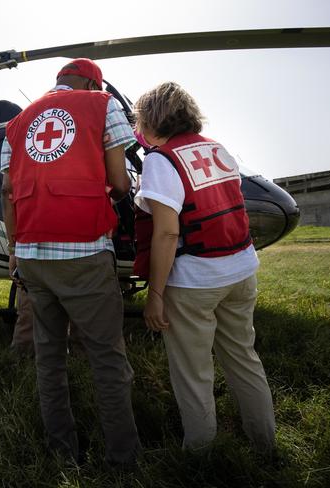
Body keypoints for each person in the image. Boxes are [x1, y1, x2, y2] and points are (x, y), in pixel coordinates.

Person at [1, 58, 142, 467]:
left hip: (31, 256)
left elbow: (8, 190)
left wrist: (14, 247)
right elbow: (119, 182)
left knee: (49, 360)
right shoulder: (101, 104)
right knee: (107, 359)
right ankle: (123, 460)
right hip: (83, 252)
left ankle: (63, 455)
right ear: (91, 82)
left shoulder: (17, 122)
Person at [132, 81, 275, 453]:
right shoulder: (218, 149)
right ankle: (265, 444)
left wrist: (156, 295)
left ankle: (199, 454)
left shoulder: (160, 161)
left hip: (196, 281)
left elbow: (165, 233)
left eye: (139, 120)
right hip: (242, 270)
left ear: (151, 120)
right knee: (244, 358)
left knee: (193, 372)